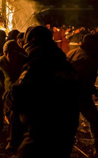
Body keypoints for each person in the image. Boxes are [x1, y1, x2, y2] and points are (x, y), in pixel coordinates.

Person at [12, 26, 79, 158]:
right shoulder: (65, 64)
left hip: (41, 133)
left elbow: (19, 99)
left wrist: (10, 93)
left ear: (32, 41)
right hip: (66, 132)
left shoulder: (36, 65)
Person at [67, 34, 98, 157]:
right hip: (78, 95)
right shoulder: (87, 59)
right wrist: (90, 91)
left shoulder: (74, 52)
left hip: (73, 93)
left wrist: (94, 91)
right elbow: (79, 80)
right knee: (93, 122)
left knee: (71, 124)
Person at [0, 40, 27, 152]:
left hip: (20, 91)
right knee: (7, 111)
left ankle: (13, 142)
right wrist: (0, 84)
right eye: (6, 52)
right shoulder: (0, 61)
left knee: (16, 114)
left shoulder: (24, 60)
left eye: (12, 52)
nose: (9, 55)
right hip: (8, 91)